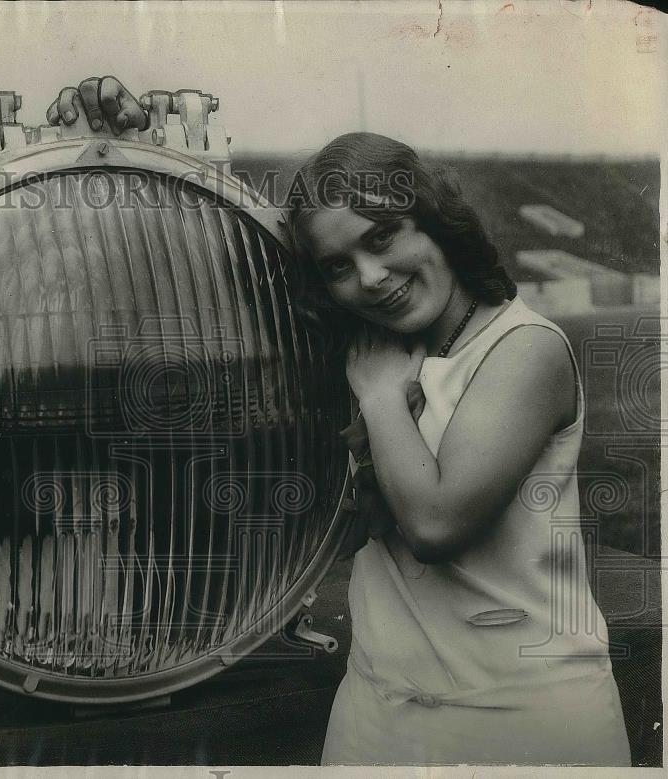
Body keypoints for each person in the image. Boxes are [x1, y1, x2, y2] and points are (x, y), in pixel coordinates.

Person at [49, 77, 631, 766]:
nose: (372, 276)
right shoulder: (366, 351)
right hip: (377, 712)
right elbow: (206, 283)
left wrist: (382, 399)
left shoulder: (522, 348)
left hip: (524, 719)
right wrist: (130, 150)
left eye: (383, 236)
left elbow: (437, 525)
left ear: (434, 221)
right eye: (338, 266)